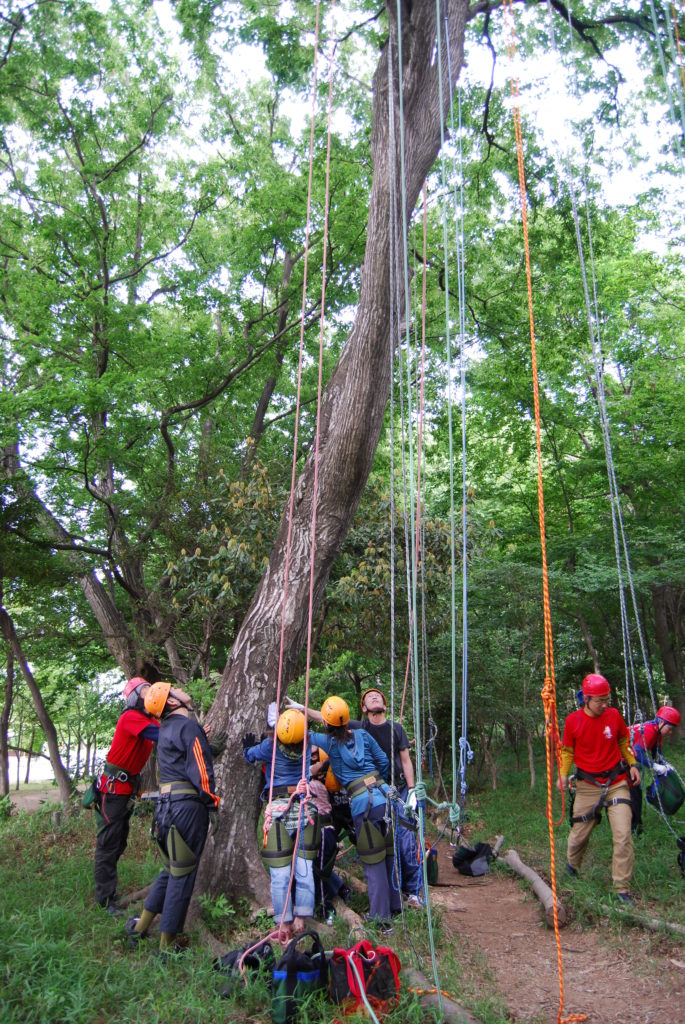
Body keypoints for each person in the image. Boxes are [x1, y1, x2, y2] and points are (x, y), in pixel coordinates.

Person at [126, 682, 220, 954]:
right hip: (186, 810)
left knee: (170, 871)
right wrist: (213, 803)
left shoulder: (166, 729)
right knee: (182, 876)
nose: (180, 689)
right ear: (171, 702)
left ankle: (141, 927)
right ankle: (167, 947)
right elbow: (201, 770)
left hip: (164, 810)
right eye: (175, 689)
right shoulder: (189, 728)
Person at [310, 696, 402, 931]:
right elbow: (383, 760)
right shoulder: (362, 734)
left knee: (373, 860)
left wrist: (298, 711)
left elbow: (303, 735)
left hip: (364, 804)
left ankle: (381, 918)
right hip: (384, 796)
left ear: (327, 723)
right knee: (389, 853)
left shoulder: (329, 743)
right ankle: (395, 905)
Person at [558, 673, 640, 903]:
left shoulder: (613, 716)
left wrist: (632, 764)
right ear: (586, 699)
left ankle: (621, 888)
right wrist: (563, 775)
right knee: (578, 837)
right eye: (599, 700)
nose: (605, 704)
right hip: (588, 785)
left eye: (607, 699)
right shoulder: (573, 721)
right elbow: (567, 751)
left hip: (616, 782)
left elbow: (624, 741)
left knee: (623, 835)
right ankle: (572, 867)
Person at [242, 709, 316, 939]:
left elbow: (249, 756)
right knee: (304, 868)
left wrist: (248, 746)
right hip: (304, 809)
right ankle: (302, 918)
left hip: (279, 810)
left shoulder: (270, 747)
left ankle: (283, 923)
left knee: (281, 871)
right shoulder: (308, 743)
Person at [93, 676, 160, 914]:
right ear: (135, 697)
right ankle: (104, 900)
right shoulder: (131, 718)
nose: (149, 695)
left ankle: (109, 893)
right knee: (109, 843)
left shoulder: (148, 720)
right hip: (114, 790)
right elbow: (164, 736)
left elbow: (171, 733)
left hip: (124, 790)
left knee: (118, 841)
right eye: (145, 691)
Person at [356, 686, 423, 906]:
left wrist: (412, 790)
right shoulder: (361, 729)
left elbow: (405, 760)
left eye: (378, 696)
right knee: (386, 845)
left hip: (400, 789)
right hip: (375, 793)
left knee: (406, 841)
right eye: (369, 697)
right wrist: (302, 709)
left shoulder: (396, 728)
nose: (374, 697)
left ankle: (413, 890)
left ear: (384, 706)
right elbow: (332, 718)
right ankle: (394, 892)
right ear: (364, 708)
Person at [629, 705, 681, 834]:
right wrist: (655, 766)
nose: (670, 732)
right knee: (634, 791)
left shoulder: (658, 732)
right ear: (662, 722)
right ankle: (634, 828)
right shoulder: (649, 730)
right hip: (621, 759)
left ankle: (634, 824)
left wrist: (665, 765)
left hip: (628, 759)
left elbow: (657, 753)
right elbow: (637, 752)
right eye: (669, 728)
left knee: (635, 790)